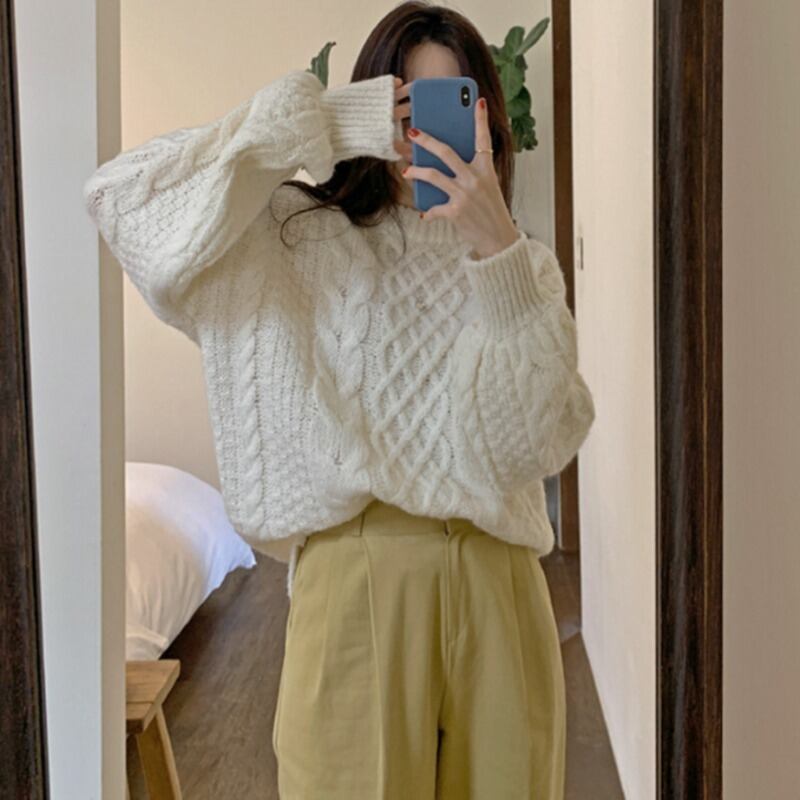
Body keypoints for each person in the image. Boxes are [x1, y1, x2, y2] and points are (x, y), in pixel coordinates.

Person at [83, 1, 595, 796]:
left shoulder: (518, 267)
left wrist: (497, 252)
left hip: (500, 592)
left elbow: (542, 442)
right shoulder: (293, 236)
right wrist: (323, 122)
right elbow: (124, 200)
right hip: (353, 585)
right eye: (406, 108)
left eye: (451, 107)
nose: (423, 136)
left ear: (488, 122)